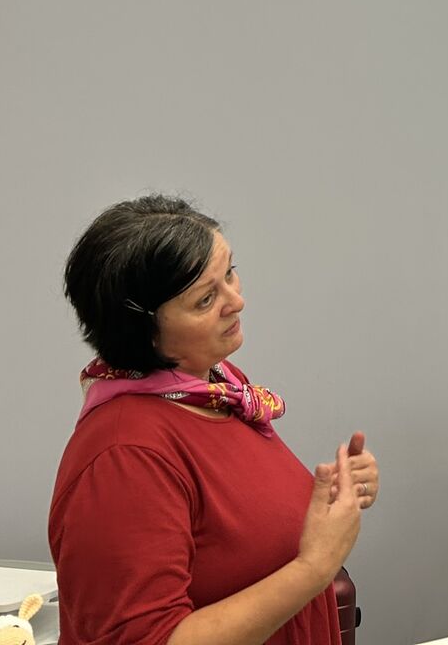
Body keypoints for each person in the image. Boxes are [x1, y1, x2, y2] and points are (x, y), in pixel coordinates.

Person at [50, 194, 377, 645]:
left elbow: (237, 536)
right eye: (206, 299)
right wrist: (315, 566)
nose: (236, 300)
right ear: (143, 332)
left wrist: (328, 500)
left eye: (229, 274)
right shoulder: (125, 456)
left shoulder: (215, 393)